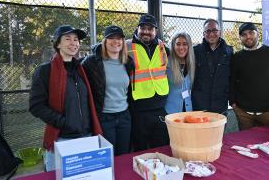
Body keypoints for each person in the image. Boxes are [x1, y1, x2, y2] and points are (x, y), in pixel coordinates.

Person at [29, 25, 102, 171]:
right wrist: (64, 122)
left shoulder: (81, 69)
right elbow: (36, 106)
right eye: (67, 39)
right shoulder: (45, 71)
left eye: (76, 40)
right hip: (62, 138)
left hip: (87, 137)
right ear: (57, 44)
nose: (73, 43)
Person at [82, 25, 133, 156]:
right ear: (105, 41)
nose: (116, 41)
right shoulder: (92, 62)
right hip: (104, 117)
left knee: (123, 155)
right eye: (111, 38)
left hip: (124, 116)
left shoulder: (128, 62)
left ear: (123, 42)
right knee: (107, 156)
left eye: (119, 38)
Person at [229, 22, 269, 130]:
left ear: (258, 34)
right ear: (240, 38)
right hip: (243, 113)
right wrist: (233, 103)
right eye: (244, 34)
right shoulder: (236, 57)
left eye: (251, 33)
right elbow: (232, 81)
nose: (248, 36)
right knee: (245, 144)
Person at [127, 14, 170, 151]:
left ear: (155, 31)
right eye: (143, 28)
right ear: (137, 29)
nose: (146, 31)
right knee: (140, 148)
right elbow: (105, 48)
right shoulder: (126, 46)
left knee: (161, 147)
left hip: (159, 106)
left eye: (150, 29)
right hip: (138, 108)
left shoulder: (162, 47)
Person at [192, 18, 234, 114]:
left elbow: (232, 77)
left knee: (219, 129)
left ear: (219, 32)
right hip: (200, 105)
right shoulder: (195, 51)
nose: (211, 34)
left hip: (220, 105)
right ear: (203, 34)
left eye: (214, 30)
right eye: (208, 31)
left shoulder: (229, 52)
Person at [165, 32, 195, 114]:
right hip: (170, 111)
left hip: (188, 110)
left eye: (185, 44)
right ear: (173, 46)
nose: (181, 47)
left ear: (189, 46)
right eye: (178, 44)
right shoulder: (166, 63)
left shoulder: (192, 63)